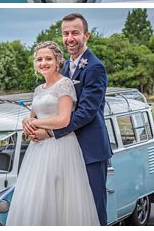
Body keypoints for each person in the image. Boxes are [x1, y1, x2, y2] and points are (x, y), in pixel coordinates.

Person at [20, 13, 111, 224]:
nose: (70, 38)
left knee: (91, 210)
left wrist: (50, 131)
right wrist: (31, 123)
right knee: (64, 209)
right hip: (63, 151)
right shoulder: (64, 70)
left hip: (89, 149)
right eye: (66, 33)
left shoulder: (94, 67)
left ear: (86, 35)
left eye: (75, 33)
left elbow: (87, 111)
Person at [7, 40, 99, 226]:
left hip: (61, 147)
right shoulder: (38, 90)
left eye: (48, 58)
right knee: (35, 197)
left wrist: (36, 123)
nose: (43, 63)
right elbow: (32, 115)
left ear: (58, 61)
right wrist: (27, 124)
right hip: (37, 151)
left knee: (59, 197)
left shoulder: (65, 84)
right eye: (39, 59)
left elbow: (64, 119)